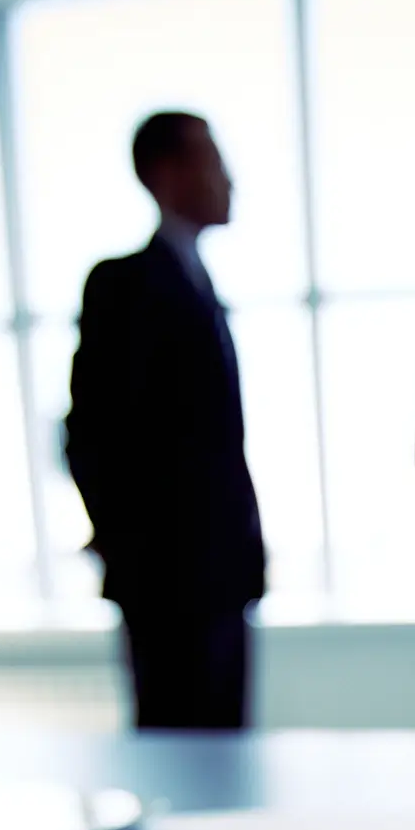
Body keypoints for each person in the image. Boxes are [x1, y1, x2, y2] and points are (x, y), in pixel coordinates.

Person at [64, 111, 265, 730]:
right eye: (213, 159)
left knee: (228, 753)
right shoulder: (123, 284)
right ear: (166, 173)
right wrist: (134, 553)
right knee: (178, 752)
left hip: (225, 574)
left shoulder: (201, 283)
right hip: (165, 585)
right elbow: (88, 436)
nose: (228, 178)